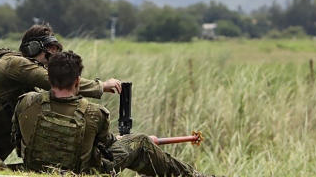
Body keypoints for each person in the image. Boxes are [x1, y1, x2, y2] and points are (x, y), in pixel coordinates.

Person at [0, 24, 122, 166]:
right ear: (33, 49)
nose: (52, 63)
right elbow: (52, 80)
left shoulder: (21, 76)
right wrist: (102, 85)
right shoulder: (16, 65)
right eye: (49, 55)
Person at [13, 50, 219, 177]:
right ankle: (191, 175)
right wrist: (122, 139)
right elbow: (108, 148)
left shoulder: (26, 102)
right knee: (140, 142)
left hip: (36, 167)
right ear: (77, 81)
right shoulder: (94, 113)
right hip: (84, 172)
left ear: (49, 78)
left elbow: (18, 141)